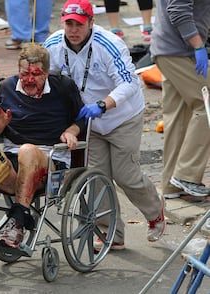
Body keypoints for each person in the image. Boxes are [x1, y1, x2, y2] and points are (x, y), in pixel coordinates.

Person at [44, 0, 166, 250]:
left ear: (91, 23)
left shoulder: (109, 44)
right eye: (69, 23)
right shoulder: (54, 44)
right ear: (62, 23)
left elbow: (131, 84)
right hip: (87, 121)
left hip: (122, 115)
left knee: (126, 175)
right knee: (96, 177)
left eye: (79, 24)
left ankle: (155, 212)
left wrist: (103, 105)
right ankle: (111, 233)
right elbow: (47, 78)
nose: (73, 29)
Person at [0, 44, 85, 248]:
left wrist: (72, 131)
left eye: (35, 74)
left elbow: (83, 119)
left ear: (46, 73)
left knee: (27, 150)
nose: (28, 79)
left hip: (51, 164)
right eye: (24, 73)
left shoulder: (62, 87)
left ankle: (18, 222)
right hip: (12, 161)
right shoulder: (6, 87)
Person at [150, 0, 210, 198]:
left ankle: (171, 184)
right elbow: (178, 10)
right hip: (179, 51)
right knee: (206, 104)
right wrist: (198, 45)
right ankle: (187, 175)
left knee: (179, 117)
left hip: (170, 49)